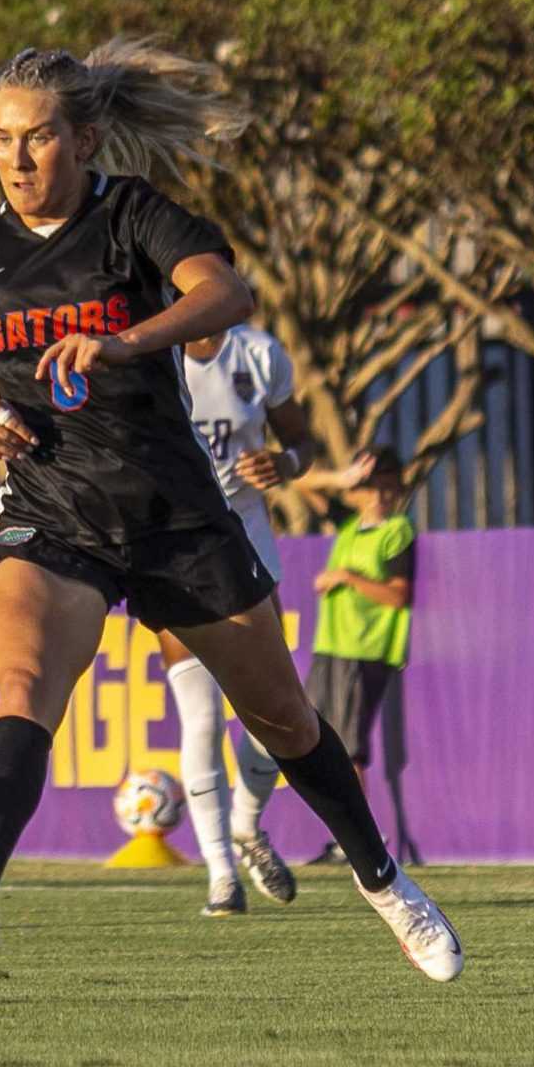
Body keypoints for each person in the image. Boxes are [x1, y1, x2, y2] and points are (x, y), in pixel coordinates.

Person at [0, 40, 461, 982]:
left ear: (83, 137)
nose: (17, 158)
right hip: (52, 512)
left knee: (282, 716)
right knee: (24, 684)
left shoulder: (132, 216)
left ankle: (384, 882)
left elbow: (226, 292)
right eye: (0, 139)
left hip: (172, 513)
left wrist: (120, 343)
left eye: (37, 137)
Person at [166, 319, 372, 915]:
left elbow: (302, 443)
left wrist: (285, 465)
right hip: (172, 548)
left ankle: (247, 825)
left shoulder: (258, 354)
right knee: (200, 717)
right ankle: (221, 877)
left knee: (273, 711)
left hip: (248, 544)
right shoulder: (145, 349)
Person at [303, 445, 417, 863]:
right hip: (331, 644)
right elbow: (298, 482)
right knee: (322, 743)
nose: (381, 496)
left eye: (389, 487)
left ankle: (360, 842)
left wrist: (348, 577)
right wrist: (340, 478)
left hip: (365, 648)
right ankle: (343, 837)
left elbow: (398, 595)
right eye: (373, 487)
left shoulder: (397, 532)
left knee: (350, 749)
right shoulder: (350, 527)